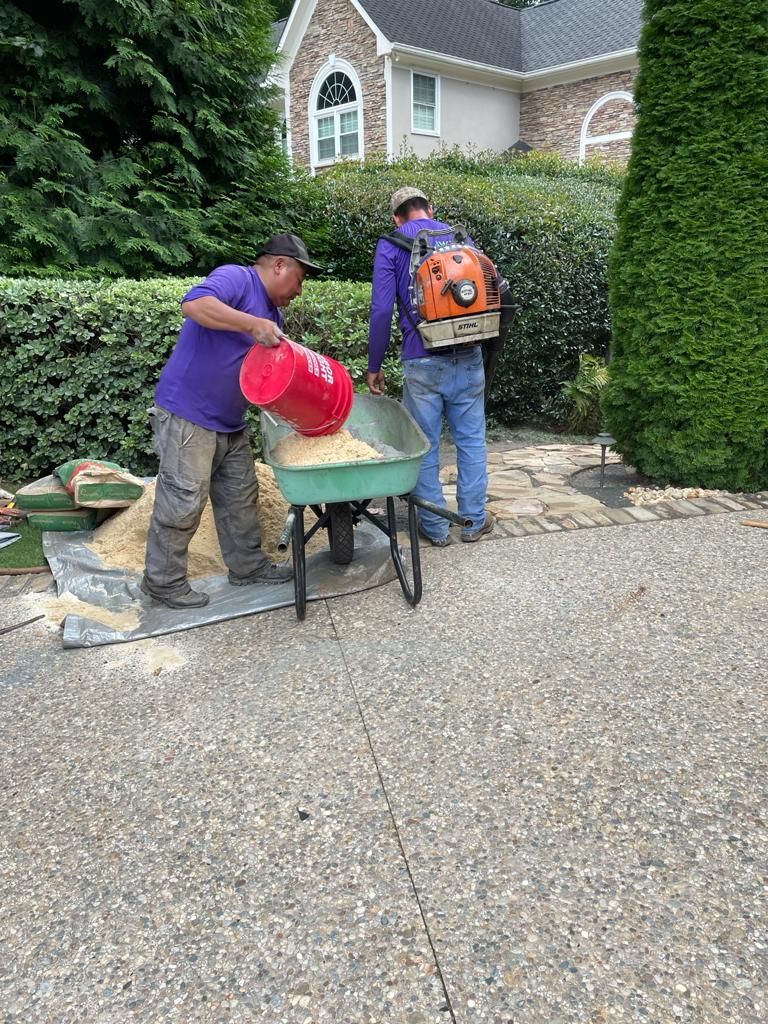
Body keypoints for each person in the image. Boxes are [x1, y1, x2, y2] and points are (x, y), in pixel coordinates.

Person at [141, 233, 323, 609]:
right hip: (189, 415)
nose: (299, 290)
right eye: (299, 279)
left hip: (230, 420)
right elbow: (193, 304)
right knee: (183, 502)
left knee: (240, 498)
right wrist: (251, 324)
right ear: (279, 265)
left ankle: (248, 567)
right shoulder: (238, 279)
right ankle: (162, 583)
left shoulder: (274, 314)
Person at [367, 186, 496, 546]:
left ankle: (436, 527)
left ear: (397, 217)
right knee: (471, 441)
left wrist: (374, 364)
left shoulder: (390, 244)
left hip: (421, 359)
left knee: (425, 445)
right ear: (430, 209)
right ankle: (472, 521)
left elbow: (381, 310)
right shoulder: (459, 237)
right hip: (469, 354)